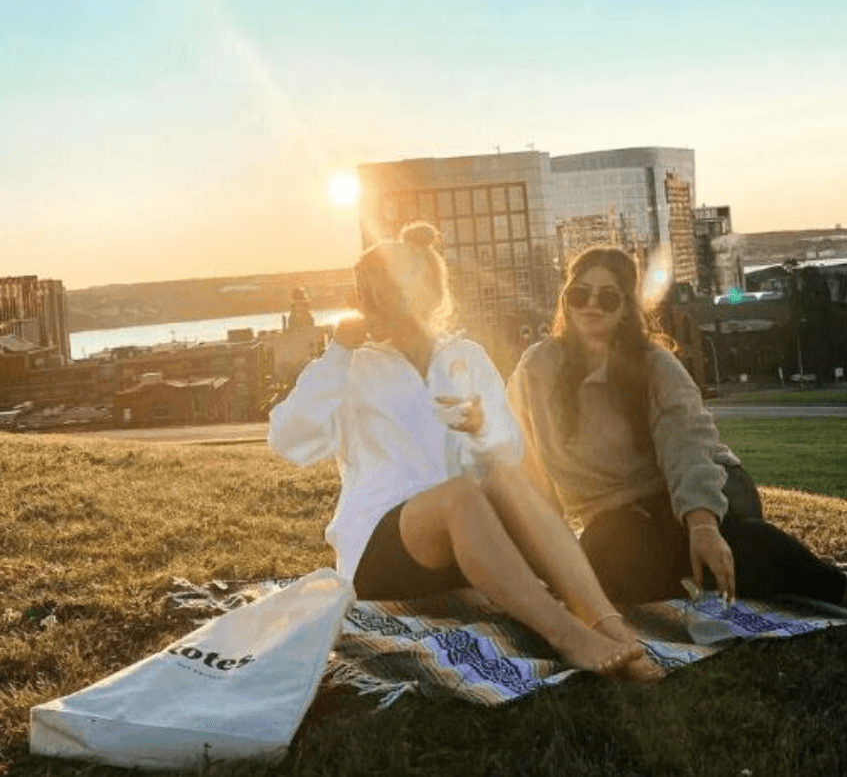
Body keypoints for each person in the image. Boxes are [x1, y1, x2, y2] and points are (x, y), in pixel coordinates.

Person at [268, 223, 663, 680]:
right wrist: (337, 352)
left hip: (470, 547)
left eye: (382, 293)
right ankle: (569, 637)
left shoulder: (466, 357)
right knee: (460, 495)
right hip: (383, 550)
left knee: (501, 481)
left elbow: (509, 452)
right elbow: (287, 440)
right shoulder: (351, 364)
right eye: (362, 294)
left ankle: (611, 626)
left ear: (422, 294)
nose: (369, 305)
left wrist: (481, 429)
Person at [507, 245, 847, 614]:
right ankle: (696, 571)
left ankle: (838, 585)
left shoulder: (654, 366)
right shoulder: (535, 369)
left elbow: (687, 445)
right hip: (620, 515)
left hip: (707, 491)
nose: (591, 305)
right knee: (607, 564)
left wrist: (702, 525)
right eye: (580, 294)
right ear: (566, 299)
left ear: (626, 308)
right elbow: (515, 453)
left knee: (730, 548)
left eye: (607, 297)